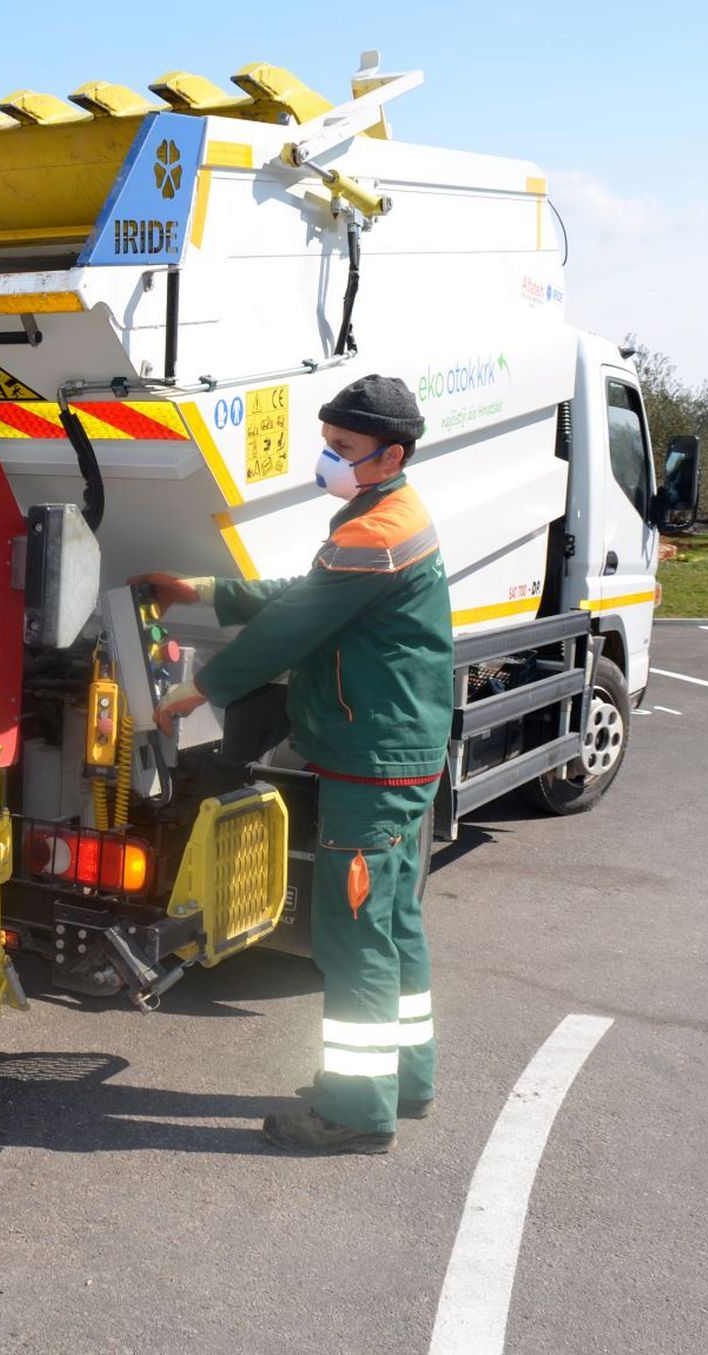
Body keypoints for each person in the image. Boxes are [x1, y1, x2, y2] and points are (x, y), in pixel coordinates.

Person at [137, 375, 455, 1155]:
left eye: (344, 450)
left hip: (373, 755)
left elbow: (294, 623)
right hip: (395, 748)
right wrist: (207, 590)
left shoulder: (377, 529)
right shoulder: (379, 516)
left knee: (350, 936)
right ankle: (403, 1082)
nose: (328, 459)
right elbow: (309, 593)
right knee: (392, 922)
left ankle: (353, 1111)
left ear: (391, 455)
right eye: (329, 442)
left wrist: (198, 692)